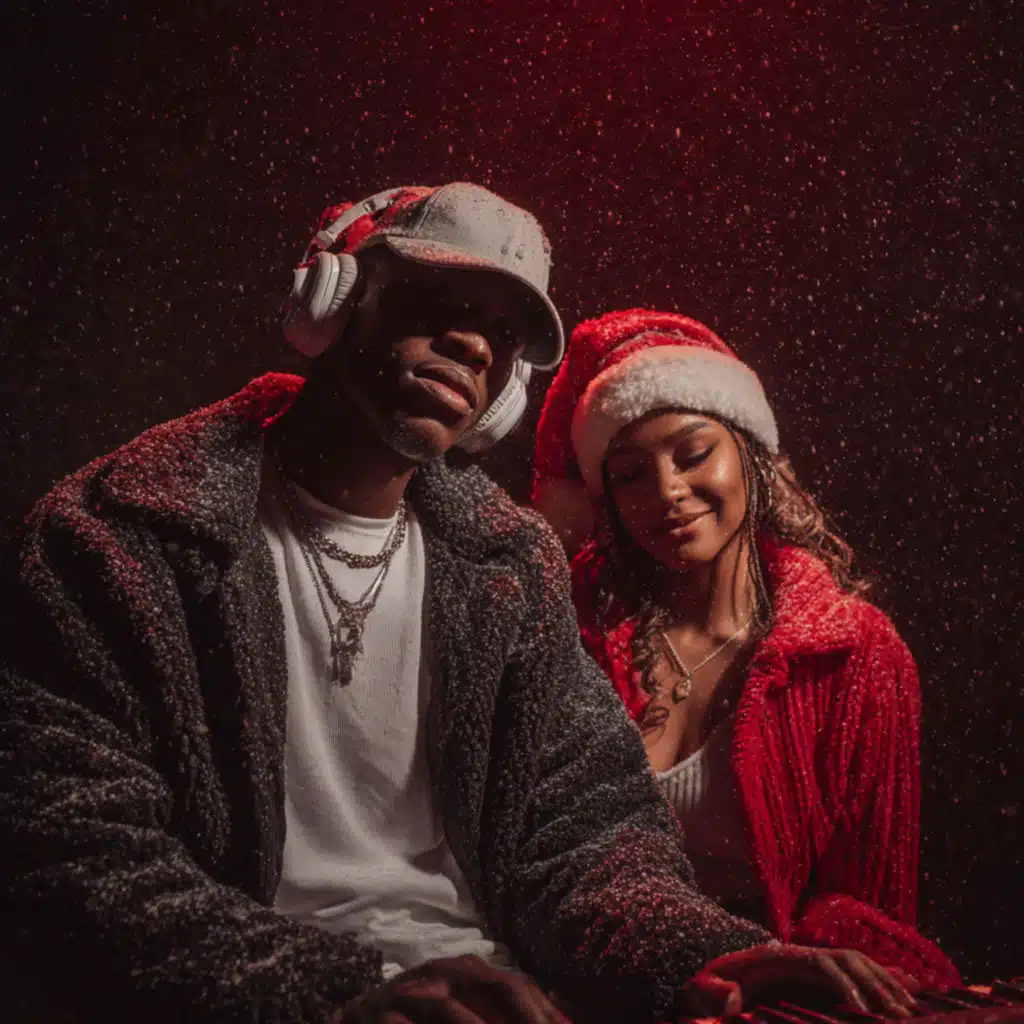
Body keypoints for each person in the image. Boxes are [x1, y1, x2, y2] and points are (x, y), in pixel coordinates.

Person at [0, 188, 921, 1024]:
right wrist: (335, 993)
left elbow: (585, 831)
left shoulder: (507, 568)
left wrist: (703, 952)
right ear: (334, 296)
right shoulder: (117, 537)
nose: (476, 346)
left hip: (501, 1002)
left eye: (503, 335)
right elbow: (68, 851)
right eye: (440, 300)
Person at [531, 308, 962, 995]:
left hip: (779, 996)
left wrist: (777, 969)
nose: (668, 492)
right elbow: (540, 858)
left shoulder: (855, 654)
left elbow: (870, 907)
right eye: (632, 474)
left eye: (694, 454)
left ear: (750, 454)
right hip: (600, 987)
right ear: (605, 498)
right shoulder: (570, 635)